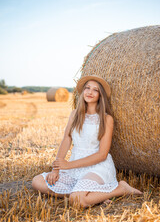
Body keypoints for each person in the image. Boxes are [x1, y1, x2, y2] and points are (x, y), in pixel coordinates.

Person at [32, 75, 142, 207]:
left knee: (77, 201)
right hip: (75, 164)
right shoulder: (74, 115)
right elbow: (66, 140)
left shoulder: (107, 119)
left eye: (95, 90)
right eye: (87, 88)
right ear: (83, 91)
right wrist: (57, 168)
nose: (90, 92)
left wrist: (68, 165)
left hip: (97, 167)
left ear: (100, 95)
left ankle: (121, 189)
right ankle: (93, 196)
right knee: (37, 182)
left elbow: (102, 155)